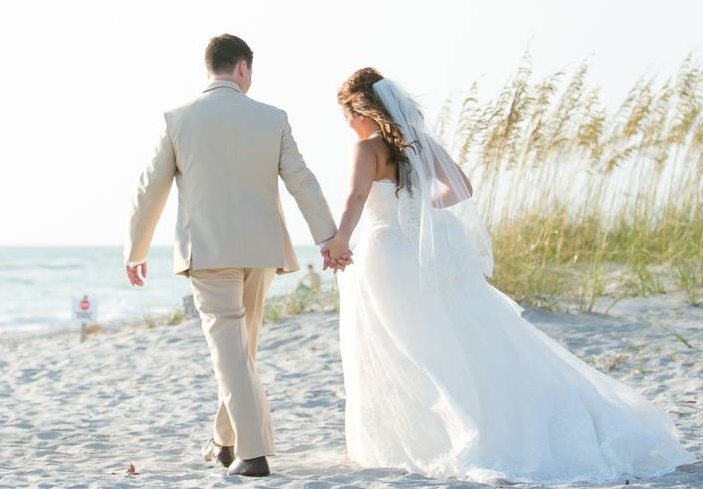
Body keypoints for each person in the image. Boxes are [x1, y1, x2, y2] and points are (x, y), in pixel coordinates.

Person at [321, 67, 694, 484]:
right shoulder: (421, 144)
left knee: (404, 343)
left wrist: (340, 240)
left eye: (348, 117)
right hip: (424, 250)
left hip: (386, 253)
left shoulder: (366, 149)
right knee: (453, 336)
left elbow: (356, 197)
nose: (349, 127)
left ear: (363, 111)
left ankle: (427, 435)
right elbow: (461, 188)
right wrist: (421, 216)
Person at [124, 34, 350, 477]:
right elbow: (302, 180)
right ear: (243, 68)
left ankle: (253, 453)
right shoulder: (272, 118)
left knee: (231, 353)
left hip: (208, 253)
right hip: (261, 251)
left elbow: (149, 188)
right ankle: (224, 442)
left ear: (211, 69)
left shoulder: (178, 119)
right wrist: (328, 237)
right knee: (240, 352)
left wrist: (137, 249)